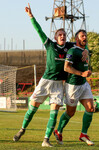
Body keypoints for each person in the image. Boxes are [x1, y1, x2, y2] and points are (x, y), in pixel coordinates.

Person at [13, 3, 88, 147]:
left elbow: (80, 43)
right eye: (60, 35)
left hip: (59, 84)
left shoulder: (70, 47)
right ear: (55, 37)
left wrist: (85, 49)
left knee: (54, 112)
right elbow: (39, 30)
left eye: (64, 35)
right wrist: (31, 16)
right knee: (32, 109)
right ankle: (22, 129)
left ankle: (46, 139)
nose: (62, 36)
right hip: (45, 81)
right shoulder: (50, 45)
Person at [54, 29, 95, 146]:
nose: (85, 38)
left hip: (83, 84)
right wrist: (81, 73)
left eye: (85, 36)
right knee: (71, 112)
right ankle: (58, 131)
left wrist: (88, 72)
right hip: (72, 85)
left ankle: (83, 134)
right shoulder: (72, 50)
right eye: (82, 36)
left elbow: (85, 64)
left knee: (91, 108)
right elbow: (66, 68)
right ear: (77, 39)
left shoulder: (85, 49)